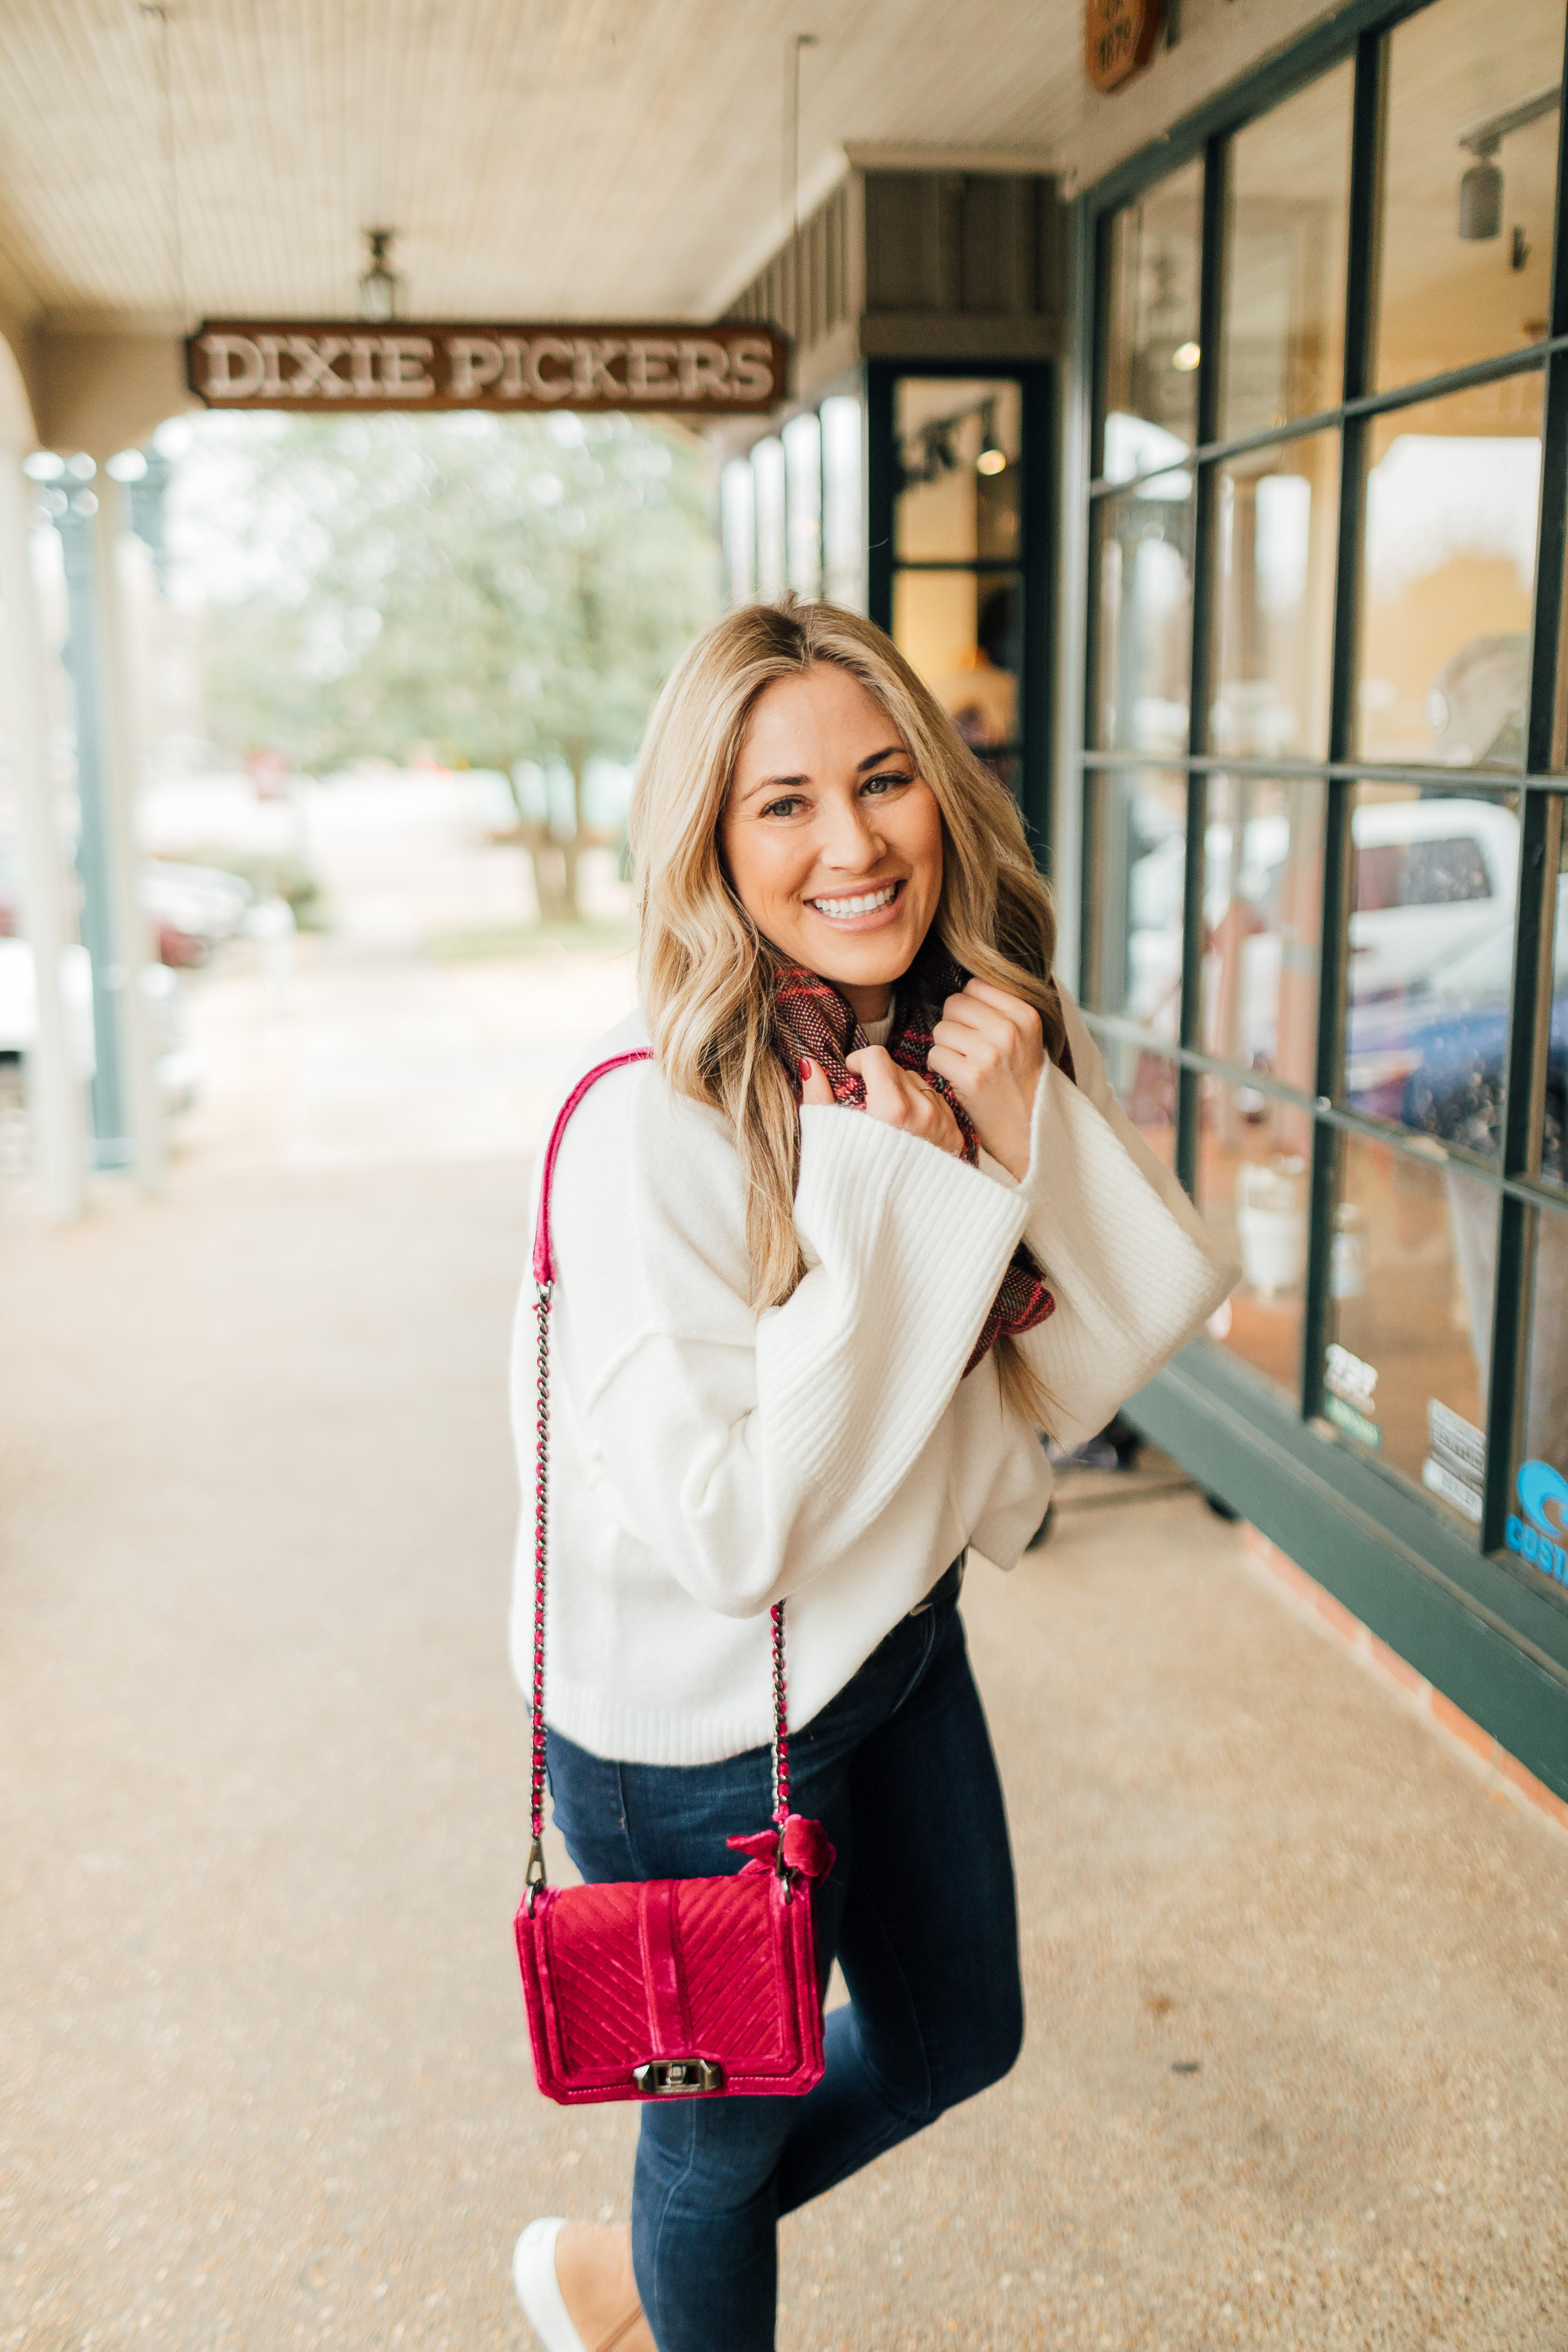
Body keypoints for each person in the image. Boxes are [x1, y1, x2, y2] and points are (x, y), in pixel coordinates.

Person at [508, 599, 1234, 2352]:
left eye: (887, 779)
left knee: (953, 2038)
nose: (853, 842)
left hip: (896, 1644)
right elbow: (735, 1533)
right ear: (709, 838)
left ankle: (616, 2277)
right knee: (716, 2141)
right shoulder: (645, 1125)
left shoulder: (943, 1042)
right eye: (784, 804)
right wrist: (889, 1218)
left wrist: (1023, 1134)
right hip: (699, 1732)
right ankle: (664, 2268)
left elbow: (1111, 1347)